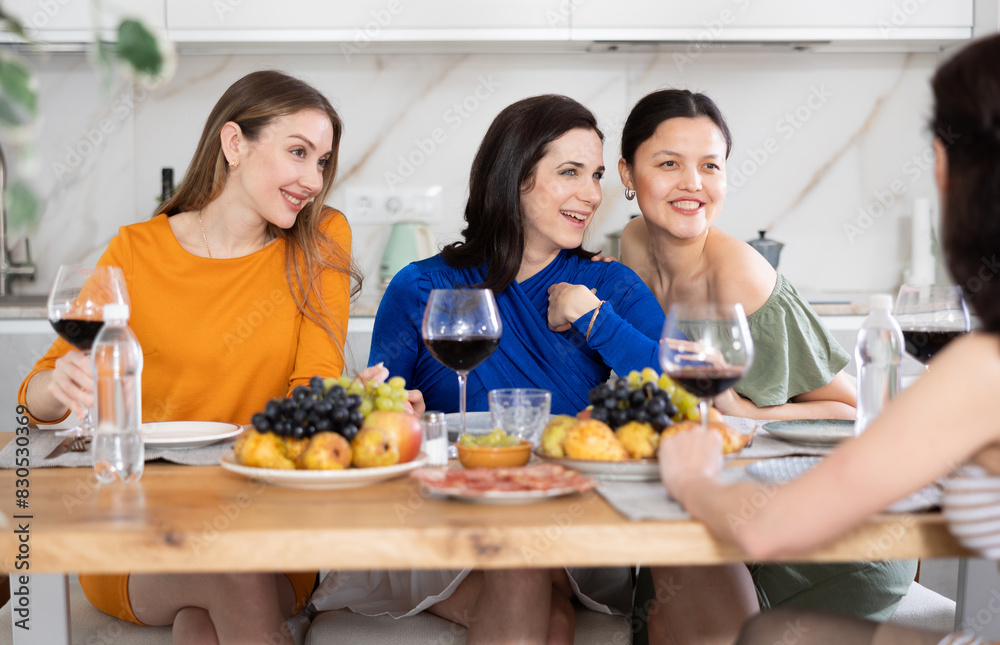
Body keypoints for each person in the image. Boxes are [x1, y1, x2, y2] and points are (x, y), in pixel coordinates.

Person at [656, 32, 1000, 645]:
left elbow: (766, 529)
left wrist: (693, 480)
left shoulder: (982, 369)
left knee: (761, 632)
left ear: (948, 171)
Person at [18, 70, 358, 645]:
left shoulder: (321, 238)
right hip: (142, 527)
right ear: (234, 144)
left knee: (204, 622)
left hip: (266, 520)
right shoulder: (138, 249)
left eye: (322, 161)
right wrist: (66, 381)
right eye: (298, 152)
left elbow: (314, 385)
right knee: (230, 576)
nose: (312, 178)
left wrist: (351, 401)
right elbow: (36, 401)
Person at [310, 94, 665, 644]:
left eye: (595, 174)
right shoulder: (422, 286)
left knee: (526, 566)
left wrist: (595, 321)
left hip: (567, 521)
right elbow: (376, 418)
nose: (592, 194)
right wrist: (384, 409)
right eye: (569, 172)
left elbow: (679, 381)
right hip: (449, 521)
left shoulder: (607, 286)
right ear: (514, 176)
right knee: (543, 610)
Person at [616, 88, 915, 644]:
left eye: (711, 165)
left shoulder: (741, 279)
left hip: (817, 538)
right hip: (707, 510)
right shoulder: (628, 251)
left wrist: (746, 411)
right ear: (627, 174)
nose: (693, 184)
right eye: (668, 164)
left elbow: (861, 408)